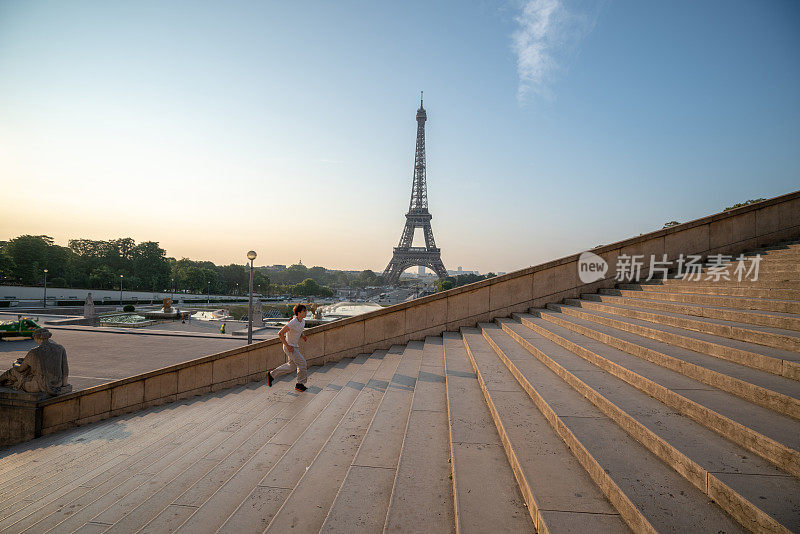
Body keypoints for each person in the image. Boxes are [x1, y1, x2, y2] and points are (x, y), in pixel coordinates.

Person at [267, 304, 308, 392]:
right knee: (303, 363)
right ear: (299, 312)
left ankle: (271, 375)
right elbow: (280, 333)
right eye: (304, 311)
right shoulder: (293, 322)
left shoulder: (303, 321)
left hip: (295, 347)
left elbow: (300, 330)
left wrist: (303, 336)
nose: (306, 312)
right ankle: (299, 384)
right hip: (289, 347)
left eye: (306, 311)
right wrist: (287, 345)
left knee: (291, 366)